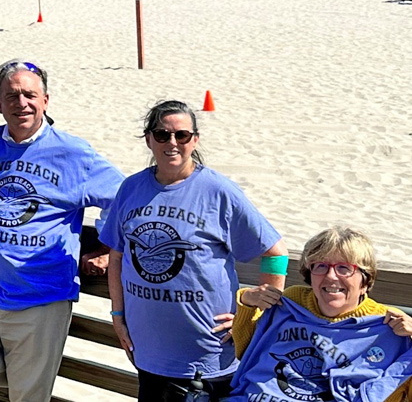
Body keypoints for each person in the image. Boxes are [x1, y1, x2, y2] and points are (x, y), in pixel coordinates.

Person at [0, 60, 124, 401]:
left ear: (45, 101)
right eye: (11, 95)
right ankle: (31, 373)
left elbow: (123, 198)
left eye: (29, 95)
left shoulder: (73, 154)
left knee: (28, 397)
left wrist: (105, 245)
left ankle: (33, 377)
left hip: (42, 297)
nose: (20, 103)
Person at [103, 100, 289, 400]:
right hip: (147, 352)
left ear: (195, 140)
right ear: (149, 139)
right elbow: (117, 255)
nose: (172, 143)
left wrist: (256, 315)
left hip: (205, 357)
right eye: (162, 135)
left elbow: (277, 253)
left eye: (182, 135)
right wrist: (117, 314)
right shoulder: (131, 188)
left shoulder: (219, 191)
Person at [227, 226, 412, 401]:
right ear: (310, 274)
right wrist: (247, 303)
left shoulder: (390, 325)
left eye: (344, 268)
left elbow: (397, 391)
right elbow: (249, 351)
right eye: (320, 266)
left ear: (365, 283)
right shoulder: (292, 301)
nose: (331, 276)